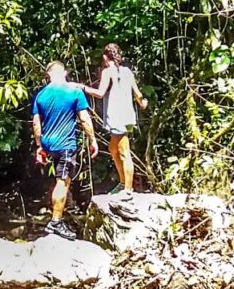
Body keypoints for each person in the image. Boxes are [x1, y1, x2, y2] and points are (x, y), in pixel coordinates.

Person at [30, 61, 96, 235]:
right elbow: (84, 119)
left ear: (49, 75)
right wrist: (93, 140)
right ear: (64, 72)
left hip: (48, 144)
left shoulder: (41, 95)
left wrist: (39, 147)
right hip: (65, 144)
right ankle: (55, 222)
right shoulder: (73, 91)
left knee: (60, 180)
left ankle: (56, 218)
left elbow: (36, 124)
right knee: (63, 181)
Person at [84, 43, 148, 194]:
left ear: (106, 57)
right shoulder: (127, 72)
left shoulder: (108, 72)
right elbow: (138, 94)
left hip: (118, 116)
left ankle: (127, 188)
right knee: (113, 148)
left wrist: (82, 87)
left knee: (124, 151)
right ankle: (123, 183)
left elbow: (100, 93)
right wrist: (142, 103)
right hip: (127, 116)